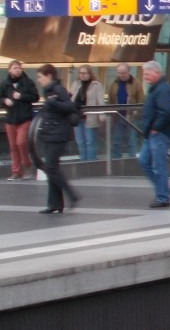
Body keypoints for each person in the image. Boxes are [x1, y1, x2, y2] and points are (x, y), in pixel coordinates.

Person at [34, 64, 80, 214]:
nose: (39, 80)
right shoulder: (49, 91)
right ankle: (55, 203)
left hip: (57, 134)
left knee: (52, 168)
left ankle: (71, 195)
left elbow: (69, 106)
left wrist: (52, 103)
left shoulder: (57, 89)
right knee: (51, 168)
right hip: (51, 133)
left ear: (49, 76)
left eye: (40, 77)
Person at [139, 61, 170, 208]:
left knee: (158, 165)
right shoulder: (155, 88)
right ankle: (163, 188)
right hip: (152, 132)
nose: (145, 76)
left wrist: (156, 127)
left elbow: (165, 111)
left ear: (156, 72)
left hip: (158, 133)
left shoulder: (162, 89)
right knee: (144, 161)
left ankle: (162, 197)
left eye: (147, 74)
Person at [2, 60, 39, 180]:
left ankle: (27, 164)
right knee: (13, 146)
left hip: (24, 117)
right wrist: (4, 101)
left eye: (19, 68)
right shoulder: (5, 83)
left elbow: (35, 97)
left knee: (21, 142)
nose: (18, 70)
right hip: (11, 118)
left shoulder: (27, 82)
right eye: (15, 68)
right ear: (9, 70)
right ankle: (17, 171)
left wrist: (21, 96)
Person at [106, 62, 145, 158]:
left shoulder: (136, 83)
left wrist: (135, 111)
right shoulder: (114, 83)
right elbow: (110, 99)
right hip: (117, 116)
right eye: (119, 73)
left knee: (132, 141)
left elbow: (141, 100)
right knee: (116, 141)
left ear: (128, 71)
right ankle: (116, 160)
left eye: (123, 73)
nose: (121, 75)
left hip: (131, 117)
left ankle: (132, 160)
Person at [69, 64, 104, 161]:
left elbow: (100, 101)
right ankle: (83, 161)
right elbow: (70, 97)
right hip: (77, 117)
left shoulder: (96, 85)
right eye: (80, 73)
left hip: (90, 117)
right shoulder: (76, 84)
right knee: (80, 141)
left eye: (84, 73)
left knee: (90, 142)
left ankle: (91, 163)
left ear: (90, 74)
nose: (82, 75)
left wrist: (102, 115)